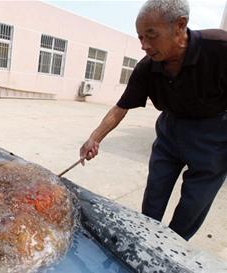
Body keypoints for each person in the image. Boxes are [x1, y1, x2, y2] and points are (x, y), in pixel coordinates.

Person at [79, 0, 227, 241]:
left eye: (151, 35)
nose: (144, 45)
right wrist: (93, 139)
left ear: (180, 26)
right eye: (140, 38)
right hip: (170, 133)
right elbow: (121, 107)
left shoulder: (219, 48)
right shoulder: (147, 67)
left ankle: (173, 251)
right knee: (153, 201)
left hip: (213, 137)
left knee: (192, 207)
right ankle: (144, 241)